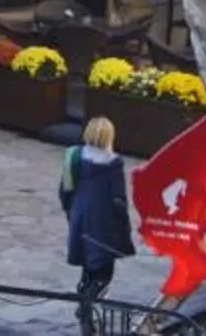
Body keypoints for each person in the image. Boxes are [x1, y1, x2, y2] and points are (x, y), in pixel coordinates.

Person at [58, 115, 134, 332]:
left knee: (87, 264)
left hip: (80, 216)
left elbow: (64, 189)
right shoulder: (113, 163)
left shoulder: (75, 156)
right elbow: (118, 199)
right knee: (103, 271)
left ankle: (85, 302)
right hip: (104, 222)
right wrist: (123, 227)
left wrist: (70, 212)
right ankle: (87, 304)